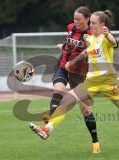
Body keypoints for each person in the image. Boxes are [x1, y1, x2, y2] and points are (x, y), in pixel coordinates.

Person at [29, 10, 119, 149]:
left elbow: (114, 42)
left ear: (102, 24)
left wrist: (108, 34)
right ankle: (47, 130)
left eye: (93, 23)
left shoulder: (106, 38)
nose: (90, 25)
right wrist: (73, 61)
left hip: (108, 83)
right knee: (67, 101)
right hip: (91, 82)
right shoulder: (90, 38)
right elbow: (85, 51)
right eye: (90, 22)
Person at [32, 6, 101, 153]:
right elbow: (69, 44)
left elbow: (89, 50)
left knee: (85, 110)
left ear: (88, 19)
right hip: (63, 66)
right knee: (58, 89)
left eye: (79, 19)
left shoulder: (92, 33)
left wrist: (76, 60)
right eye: (74, 18)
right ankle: (49, 122)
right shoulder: (70, 27)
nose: (75, 21)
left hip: (79, 73)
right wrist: (63, 46)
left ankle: (95, 142)